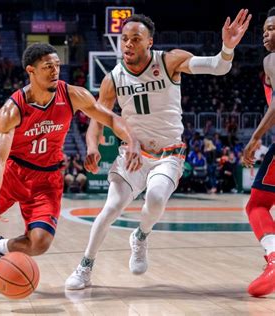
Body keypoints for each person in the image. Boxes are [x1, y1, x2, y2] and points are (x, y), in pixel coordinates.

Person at [0, 43, 142, 302]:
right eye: (48, 67)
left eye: (57, 66)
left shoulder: (71, 95)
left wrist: (132, 142)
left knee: (40, 243)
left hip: (48, 179)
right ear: (31, 71)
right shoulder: (13, 108)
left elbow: (111, 118)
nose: (55, 71)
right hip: (14, 171)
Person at [65, 10, 251, 290]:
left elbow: (217, 67)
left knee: (154, 199)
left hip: (169, 154)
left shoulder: (169, 60)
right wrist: (92, 146)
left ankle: (140, 236)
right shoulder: (113, 78)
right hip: (132, 154)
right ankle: (85, 267)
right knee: (111, 208)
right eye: (124, 39)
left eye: (135, 39)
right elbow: (98, 120)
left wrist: (227, 48)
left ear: (149, 42)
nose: (128, 44)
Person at [242, 6, 275, 298]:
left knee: (257, 205)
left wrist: (254, 138)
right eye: (264, 29)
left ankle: (274, 259)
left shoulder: (272, 60)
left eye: (273, 29)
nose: (267, 34)